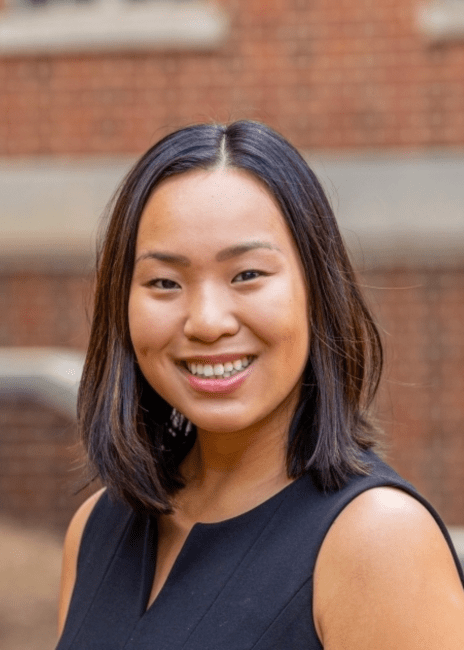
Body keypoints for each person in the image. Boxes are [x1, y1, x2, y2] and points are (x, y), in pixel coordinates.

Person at [56, 120, 464, 650]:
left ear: (316, 289)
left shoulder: (377, 541)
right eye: (164, 282)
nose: (206, 321)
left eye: (247, 274)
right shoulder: (96, 528)